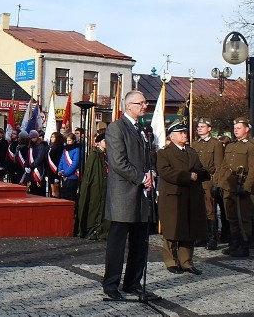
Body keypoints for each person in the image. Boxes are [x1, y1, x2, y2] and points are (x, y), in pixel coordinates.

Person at [102, 91, 155, 301]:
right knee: (117, 243)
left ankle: (133, 282)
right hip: (123, 194)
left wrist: (152, 173)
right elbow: (118, 163)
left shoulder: (143, 129)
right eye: (141, 103)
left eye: (145, 102)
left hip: (142, 195)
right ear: (129, 105)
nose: (144, 106)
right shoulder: (116, 128)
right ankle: (111, 284)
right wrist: (142, 178)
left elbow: (149, 157)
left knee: (140, 242)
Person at [157, 121, 208, 275]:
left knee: (189, 230)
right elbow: (165, 172)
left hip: (192, 196)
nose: (184, 135)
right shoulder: (164, 153)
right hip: (173, 196)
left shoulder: (191, 152)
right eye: (181, 133)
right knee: (172, 230)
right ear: (172, 136)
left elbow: (201, 169)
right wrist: (187, 176)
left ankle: (186, 262)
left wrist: (199, 174)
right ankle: (171, 261)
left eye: (185, 132)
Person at [216, 117, 254, 257]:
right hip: (229, 186)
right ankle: (235, 244)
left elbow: (253, 168)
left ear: (247, 129)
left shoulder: (250, 146)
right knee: (231, 217)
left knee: (243, 217)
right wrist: (219, 184)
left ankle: (244, 245)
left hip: (242, 186)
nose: (236, 130)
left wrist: (246, 187)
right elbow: (224, 166)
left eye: (239, 128)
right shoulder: (231, 146)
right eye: (235, 128)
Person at [190, 117, 224, 250]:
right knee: (198, 210)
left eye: (202, 126)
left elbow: (219, 166)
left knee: (210, 210)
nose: (199, 129)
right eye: (198, 127)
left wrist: (216, 184)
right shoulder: (195, 144)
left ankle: (212, 238)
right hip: (196, 181)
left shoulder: (215, 144)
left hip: (208, 181)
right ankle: (201, 236)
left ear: (209, 129)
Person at [77, 133, 109, 240]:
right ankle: (92, 229)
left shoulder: (109, 155)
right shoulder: (95, 154)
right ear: (100, 142)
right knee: (94, 206)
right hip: (96, 184)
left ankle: (102, 230)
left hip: (106, 184)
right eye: (105, 141)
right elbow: (89, 173)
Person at [24, 130, 49, 196]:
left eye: (34, 137)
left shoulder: (41, 146)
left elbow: (39, 158)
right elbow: (28, 157)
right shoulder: (31, 146)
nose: (32, 139)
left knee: (39, 189)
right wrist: (26, 166)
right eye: (31, 138)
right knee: (32, 188)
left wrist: (31, 167)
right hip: (31, 170)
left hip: (38, 169)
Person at [58, 132, 80, 202]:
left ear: (73, 140)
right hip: (63, 175)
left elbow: (75, 164)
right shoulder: (65, 149)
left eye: (69, 140)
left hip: (72, 176)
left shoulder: (77, 149)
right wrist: (60, 170)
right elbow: (61, 160)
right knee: (63, 195)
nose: (68, 142)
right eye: (67, 140)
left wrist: (65, 173)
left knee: (70, 196)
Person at [47, 132, 64, 197]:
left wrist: (57, 174)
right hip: (50, 170)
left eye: (54, 137)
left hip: (56, 170)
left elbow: (58, 160)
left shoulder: (59, 147)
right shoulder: (50, 146)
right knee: (51, 191)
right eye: (51, 137)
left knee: (56, 191)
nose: (52, 138)